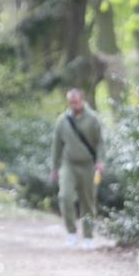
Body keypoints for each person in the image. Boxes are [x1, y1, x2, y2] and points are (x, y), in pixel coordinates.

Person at [51, 88, 104, 249]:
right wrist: (54, 167)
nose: (73, 105)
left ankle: (88, 236)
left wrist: (101, 161)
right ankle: (71, 233)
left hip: (88, 165)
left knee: (88, 202)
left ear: (82, 100)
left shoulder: (93, 119)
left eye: (76, 102)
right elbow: (56, 145)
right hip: (69, 164)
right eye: (71, 102)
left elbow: (100, 142)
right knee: (65, 197)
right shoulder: (63, 120)